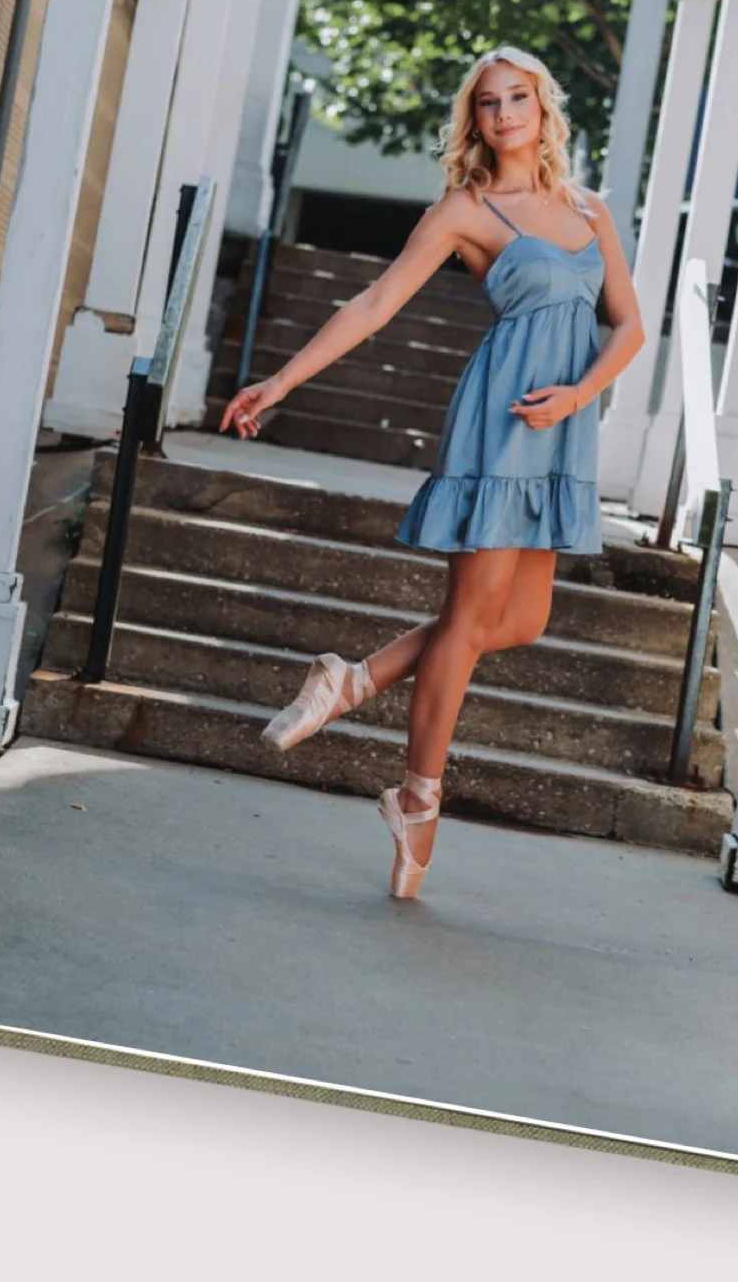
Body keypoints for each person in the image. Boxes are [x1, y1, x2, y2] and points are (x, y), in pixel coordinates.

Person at [219, 46, 643, 900]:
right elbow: (374, 305)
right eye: (488, 103)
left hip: (557, 426)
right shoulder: (467, 210)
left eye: (518, 96)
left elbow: (629, 327)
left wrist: (578, 399)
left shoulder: (590, 209)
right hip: (498, 423)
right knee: (467, 617)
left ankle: (354, 679)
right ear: (475, 120)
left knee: (520, 619)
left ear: (544, 107)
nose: (504, 113)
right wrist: (283, 379)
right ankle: (417, 800)